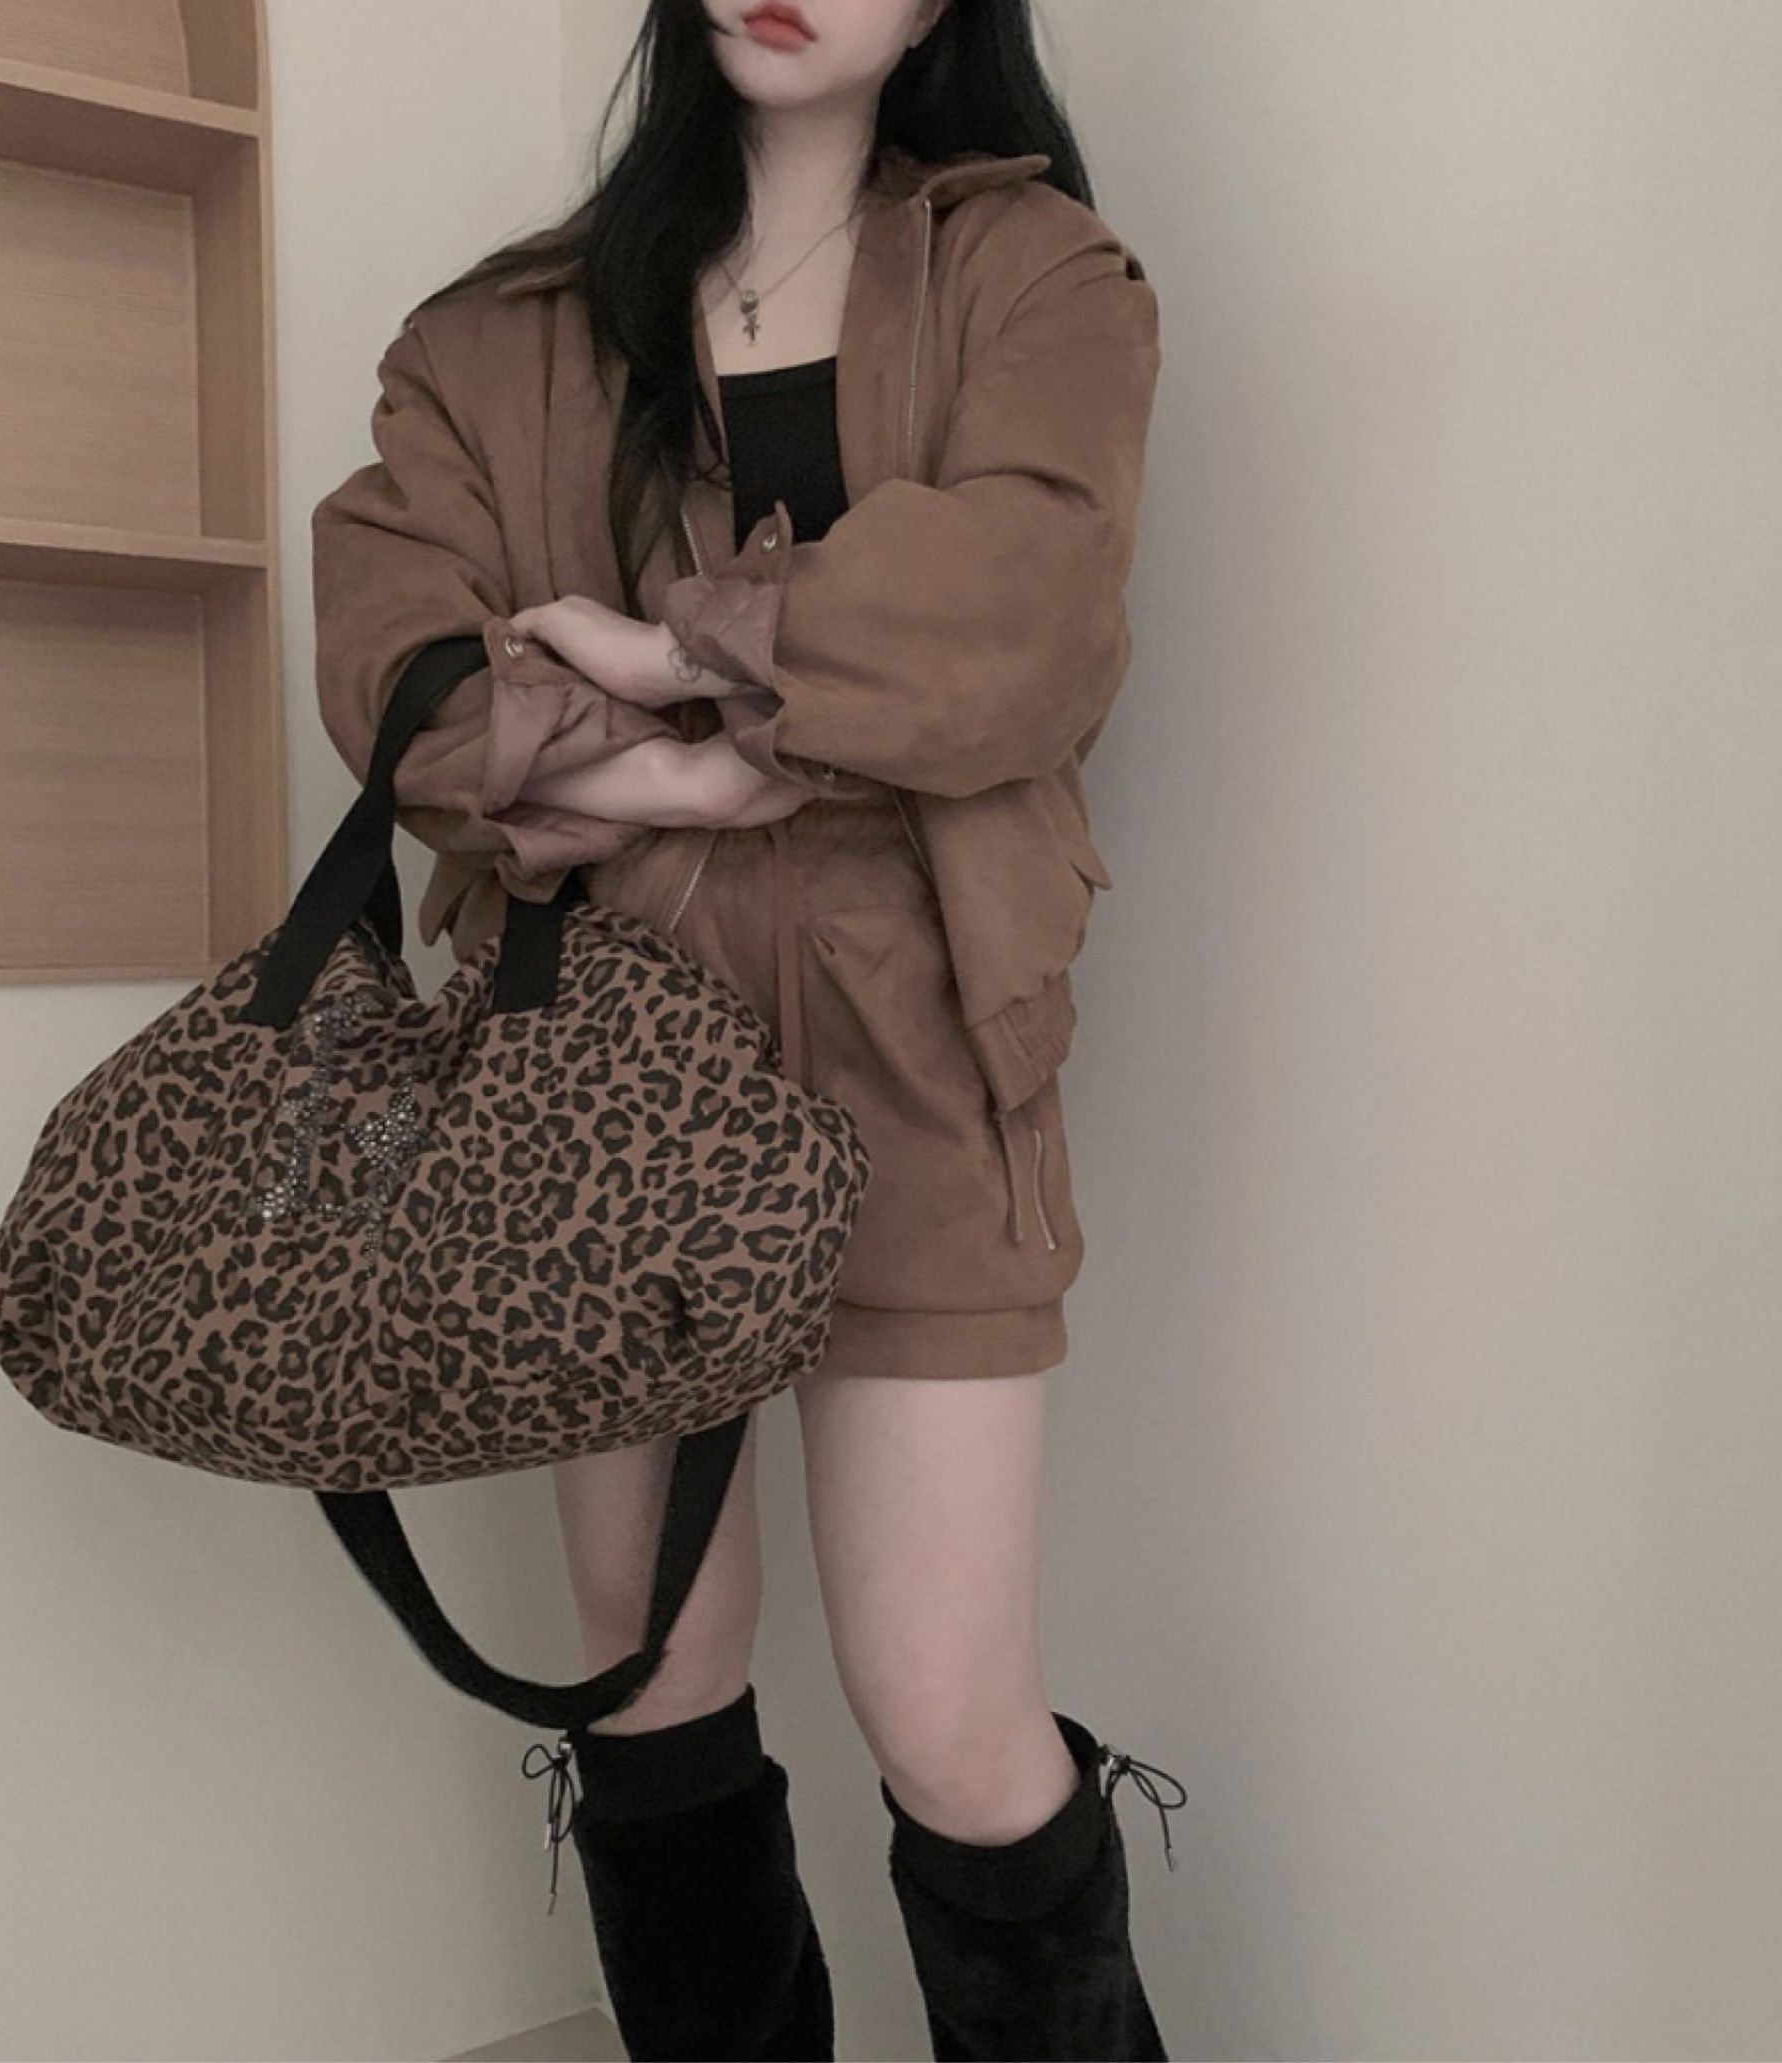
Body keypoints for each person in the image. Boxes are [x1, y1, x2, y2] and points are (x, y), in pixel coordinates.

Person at [309, 3, 1180, 2055]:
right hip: (594, 1059)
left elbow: (1030, 616)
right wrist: (677, 768)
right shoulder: (499, 333)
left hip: (922, 1057)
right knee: (652, 1691)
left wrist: (664, 643)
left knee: (949, 1718)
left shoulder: (1033, 273)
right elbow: (394, 651)